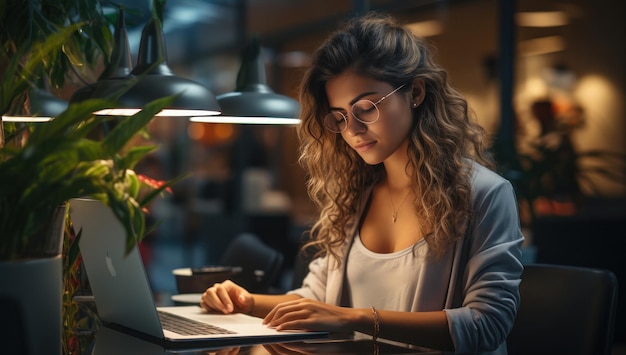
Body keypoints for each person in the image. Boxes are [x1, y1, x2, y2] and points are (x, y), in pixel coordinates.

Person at [201, 12, 524, 354]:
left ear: (415, 92)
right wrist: (245, 302)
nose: (352, 130)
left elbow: (488, 323)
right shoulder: (356, 195)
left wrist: (354, 319)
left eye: (366, 107)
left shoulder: (484, 194)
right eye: (339, 116)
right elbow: (316, 299)